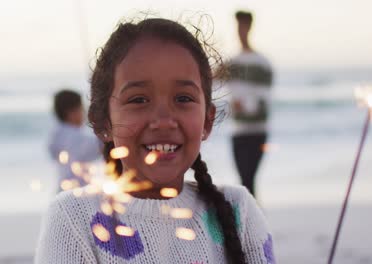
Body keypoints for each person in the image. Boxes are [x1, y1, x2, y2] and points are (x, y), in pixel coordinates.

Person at [36, 18, 275, 264]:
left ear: (207, 121)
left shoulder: (239, 211)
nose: (163, 120)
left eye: (183, 98)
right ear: (103, 122)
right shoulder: (74, 218)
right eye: (138, 100)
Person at [227, 11, 274, 198]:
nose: (241, 31)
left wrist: (246, 106)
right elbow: (218, 87)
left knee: (248, 180)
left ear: (250, 28)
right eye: (238, 27)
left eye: (244, 26)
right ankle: (252, 224)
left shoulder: (262, 62)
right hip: (238, 130)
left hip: (257, 130)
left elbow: (265, 96)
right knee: (244, 180)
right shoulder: (232, 62)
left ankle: (252, 224)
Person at [48, 90, 101, 191]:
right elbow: (99, 146)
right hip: (77, 189)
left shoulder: (57, 134)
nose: (84, 113)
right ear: (71, 112)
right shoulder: (74, 137)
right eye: (81, 109)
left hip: (63, 187)